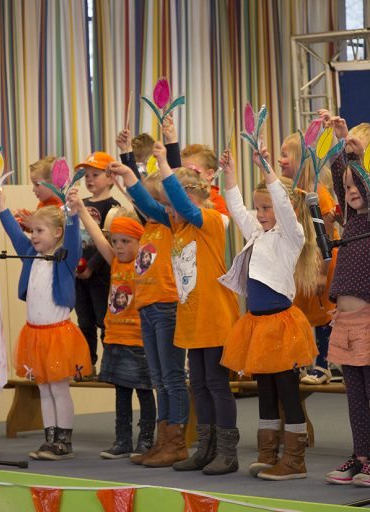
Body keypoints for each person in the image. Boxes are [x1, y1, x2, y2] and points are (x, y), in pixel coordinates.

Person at [114, 139, 240, 474]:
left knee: (216, 383)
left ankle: (227, 452)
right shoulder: (176, 224)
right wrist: (129, 174)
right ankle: (205, 446)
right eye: (168, 207)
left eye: (173, 205)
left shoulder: (210, 220)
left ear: (193, 199)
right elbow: (150, 205)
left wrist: (165, 167)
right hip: (190, 318)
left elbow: (181, 205)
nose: (168, 212)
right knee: (197, 385)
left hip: (214, 317)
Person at [218, 148, 319, 481]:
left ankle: (294, 459)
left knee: (287, 390)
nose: (259, 214)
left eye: (266, 208)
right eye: (258, 208)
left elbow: (286, 209)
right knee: (265, 389)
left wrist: (267, 169)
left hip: (282, 325)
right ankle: (268, 451)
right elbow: (235, 207)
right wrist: (230, 173)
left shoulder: (291, 236)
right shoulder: (258, 233)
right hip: (257, 326)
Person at [317, 114, 370, 487]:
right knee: (352, 391)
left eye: (356, 186)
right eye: (346, 188)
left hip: (368, 313)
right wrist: (340, 139)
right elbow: (342, 175)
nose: (349, 192)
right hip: (343, 318)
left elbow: (368, 179)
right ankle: (360, 454)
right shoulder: (350, 216)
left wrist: (358, 148)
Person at [0, 188, 90, 460]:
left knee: (58, 388)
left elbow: (73, 239)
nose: (33, 236)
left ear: (57, 234)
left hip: (58, 335)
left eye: (40, 231)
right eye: (33, 231)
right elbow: (15, 233)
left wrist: (72, 213)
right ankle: (50, 440)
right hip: (34, 335)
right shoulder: (29, 253)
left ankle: (64, 442)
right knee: (43, 388)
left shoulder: (64, 258)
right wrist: (1, 206)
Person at [72, 192, 156, 459]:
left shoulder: (144, 265)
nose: (118, 247)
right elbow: (97, 236)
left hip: (138, 340)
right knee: (121, 392)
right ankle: (122, 440)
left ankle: (146, 439)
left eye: (125, 242)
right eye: (115, 241)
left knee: (144, 391)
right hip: (115, 337)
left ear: (140, 241)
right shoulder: (116, 262)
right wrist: (82, 210)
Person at [277, 132, 339, 386]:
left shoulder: (318, 195)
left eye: (284, 155)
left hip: (319, 262)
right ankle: (302, 361)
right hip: (301, 263)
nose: (281, 160)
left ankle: (325, 364)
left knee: (322, 312)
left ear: (301, 159)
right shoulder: (293, 194)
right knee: (300, 313)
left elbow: (325, 236)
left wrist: (322, 272)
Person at [75, 151, 121, 376]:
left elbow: (111, 243)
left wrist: (92, 266)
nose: (89, 179)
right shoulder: (80, 204)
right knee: (84, 321)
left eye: (95, 174)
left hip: (101, 275)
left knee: (105, 320)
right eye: (86, 175)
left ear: (111, 177)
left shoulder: (114, 207)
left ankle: (110, 366)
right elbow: (73, 236)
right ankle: (86, 363)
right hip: (79, 274)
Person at [180, 143, 229, 218]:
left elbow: (222, 223)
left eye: (191, 171)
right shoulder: (181, 194)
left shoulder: (216, 200)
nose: (185, 176)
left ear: (209, 174)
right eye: (182, 171)